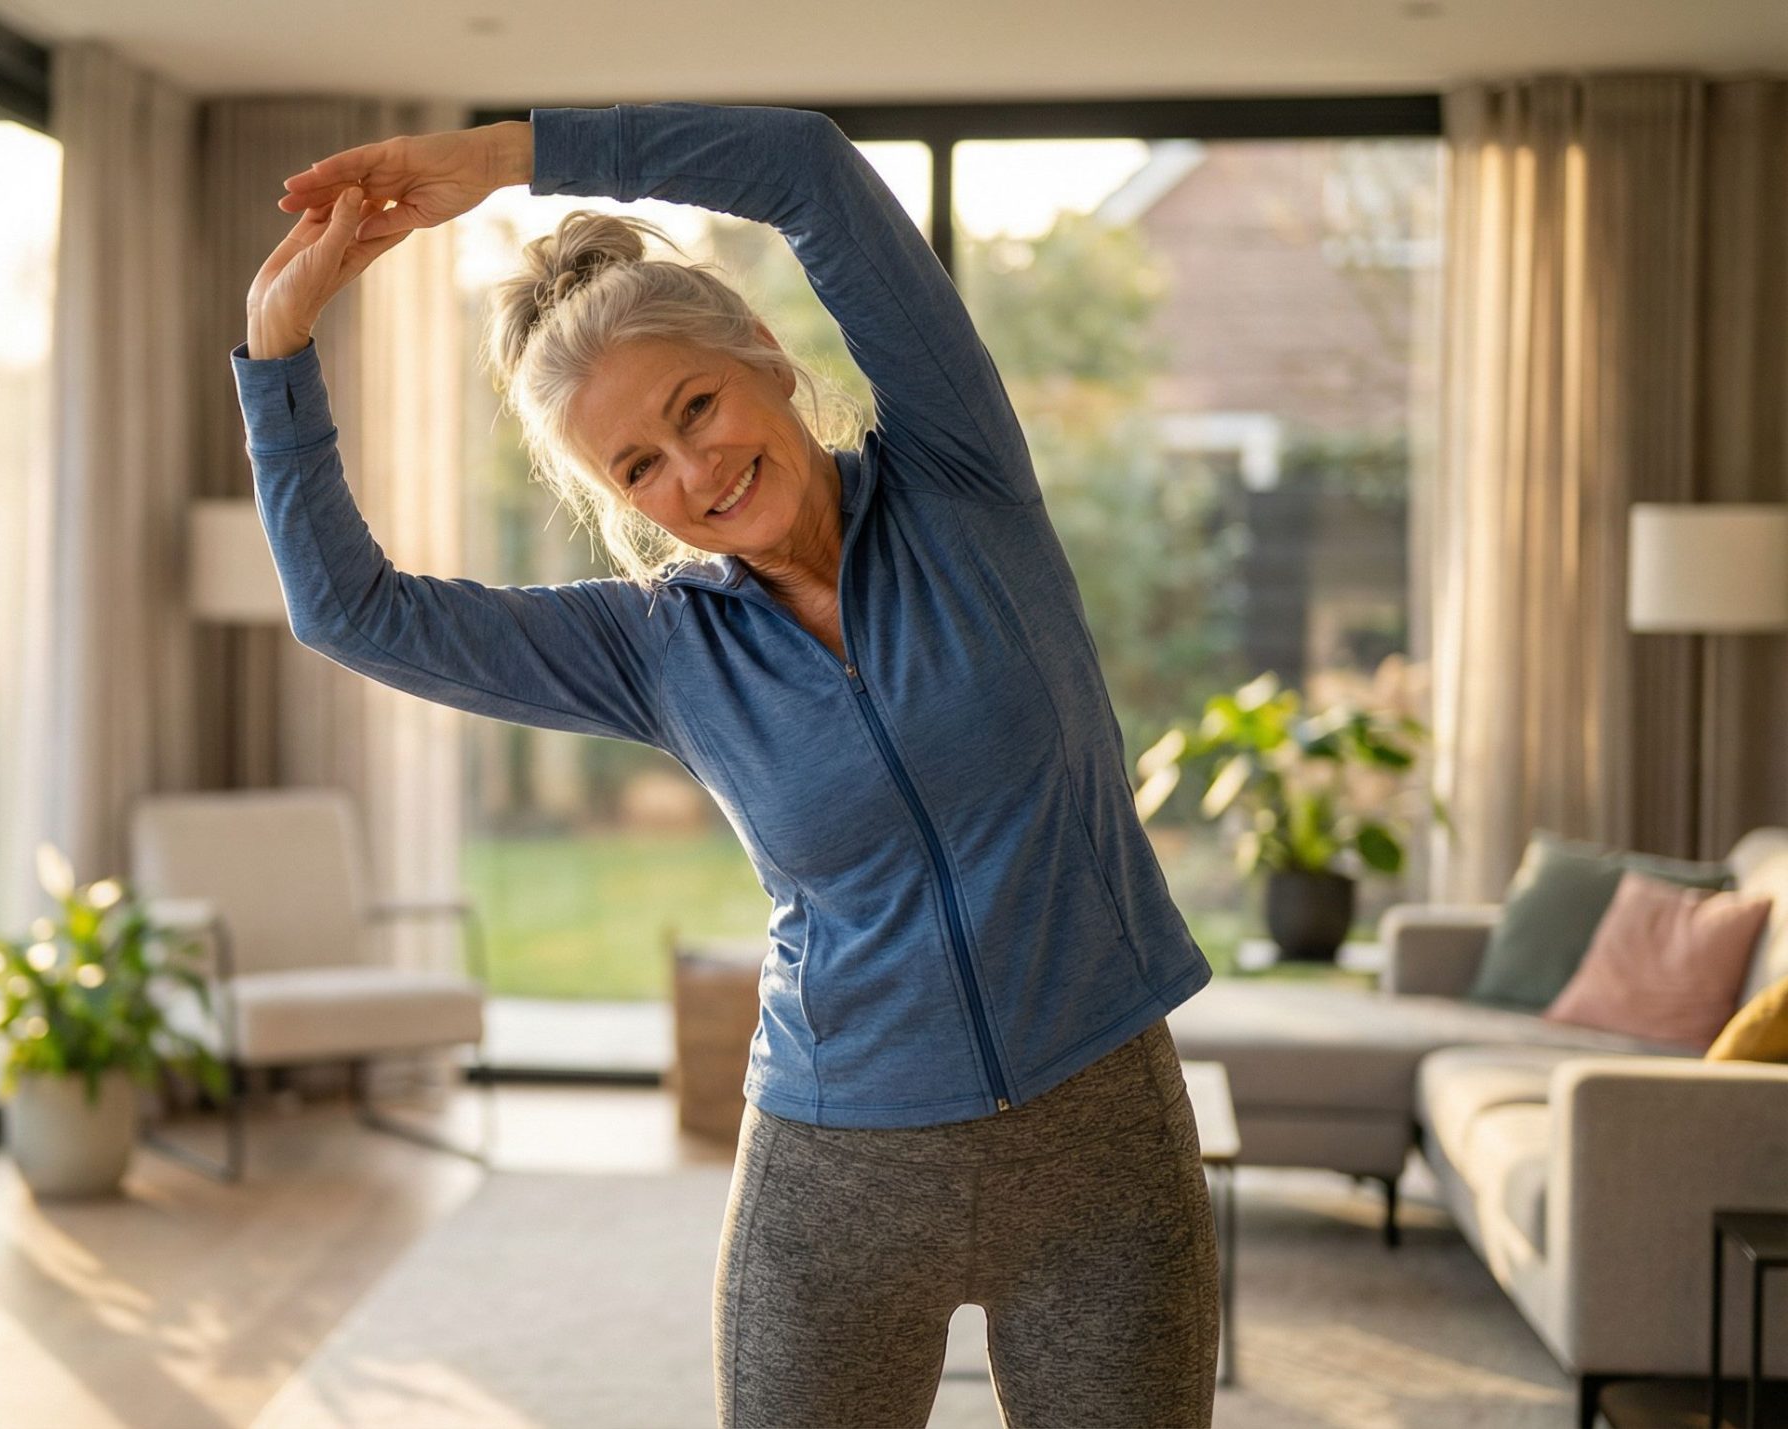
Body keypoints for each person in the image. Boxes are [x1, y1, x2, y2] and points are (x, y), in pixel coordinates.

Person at [236, 102, 1220, 1429]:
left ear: (762, 351)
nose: (696, 469)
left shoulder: (959, 477)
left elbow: (804, 166)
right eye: (638, 462)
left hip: (1102, 1148)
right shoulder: (655, 648)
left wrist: (497, 162)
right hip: (835, 1176)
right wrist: (276, 352)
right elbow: (351, 609)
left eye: (696, 405)